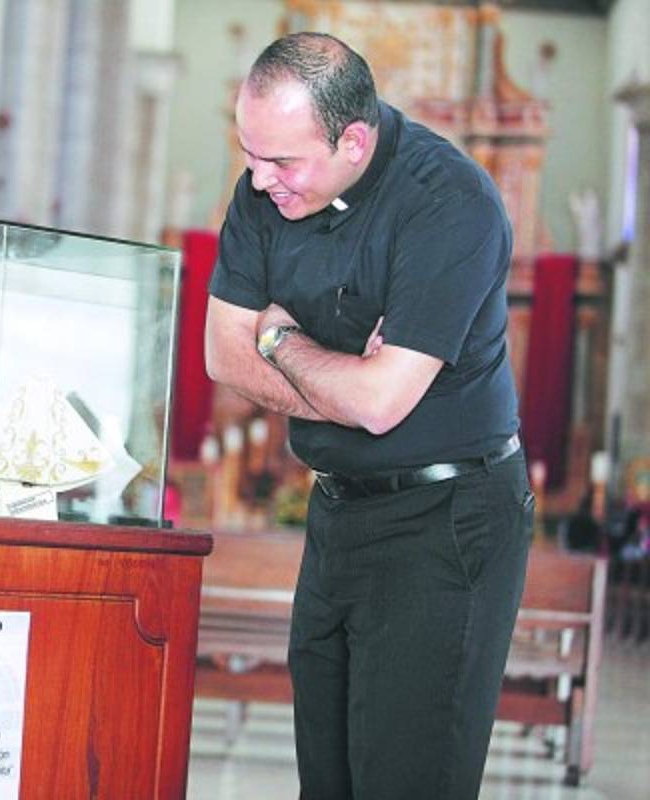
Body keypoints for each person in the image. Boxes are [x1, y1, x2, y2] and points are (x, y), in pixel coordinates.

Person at [205, 32, 534, 799]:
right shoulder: (265, 189)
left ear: (353, 141)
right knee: (327, 780)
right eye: (250, 154)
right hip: (338, 511)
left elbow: (380, 405)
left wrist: (280, 338)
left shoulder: (450, 204)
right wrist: (346, 386)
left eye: (283, 161)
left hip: (446, 521)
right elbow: (223, 355)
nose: (259, 179)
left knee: (406, 782)